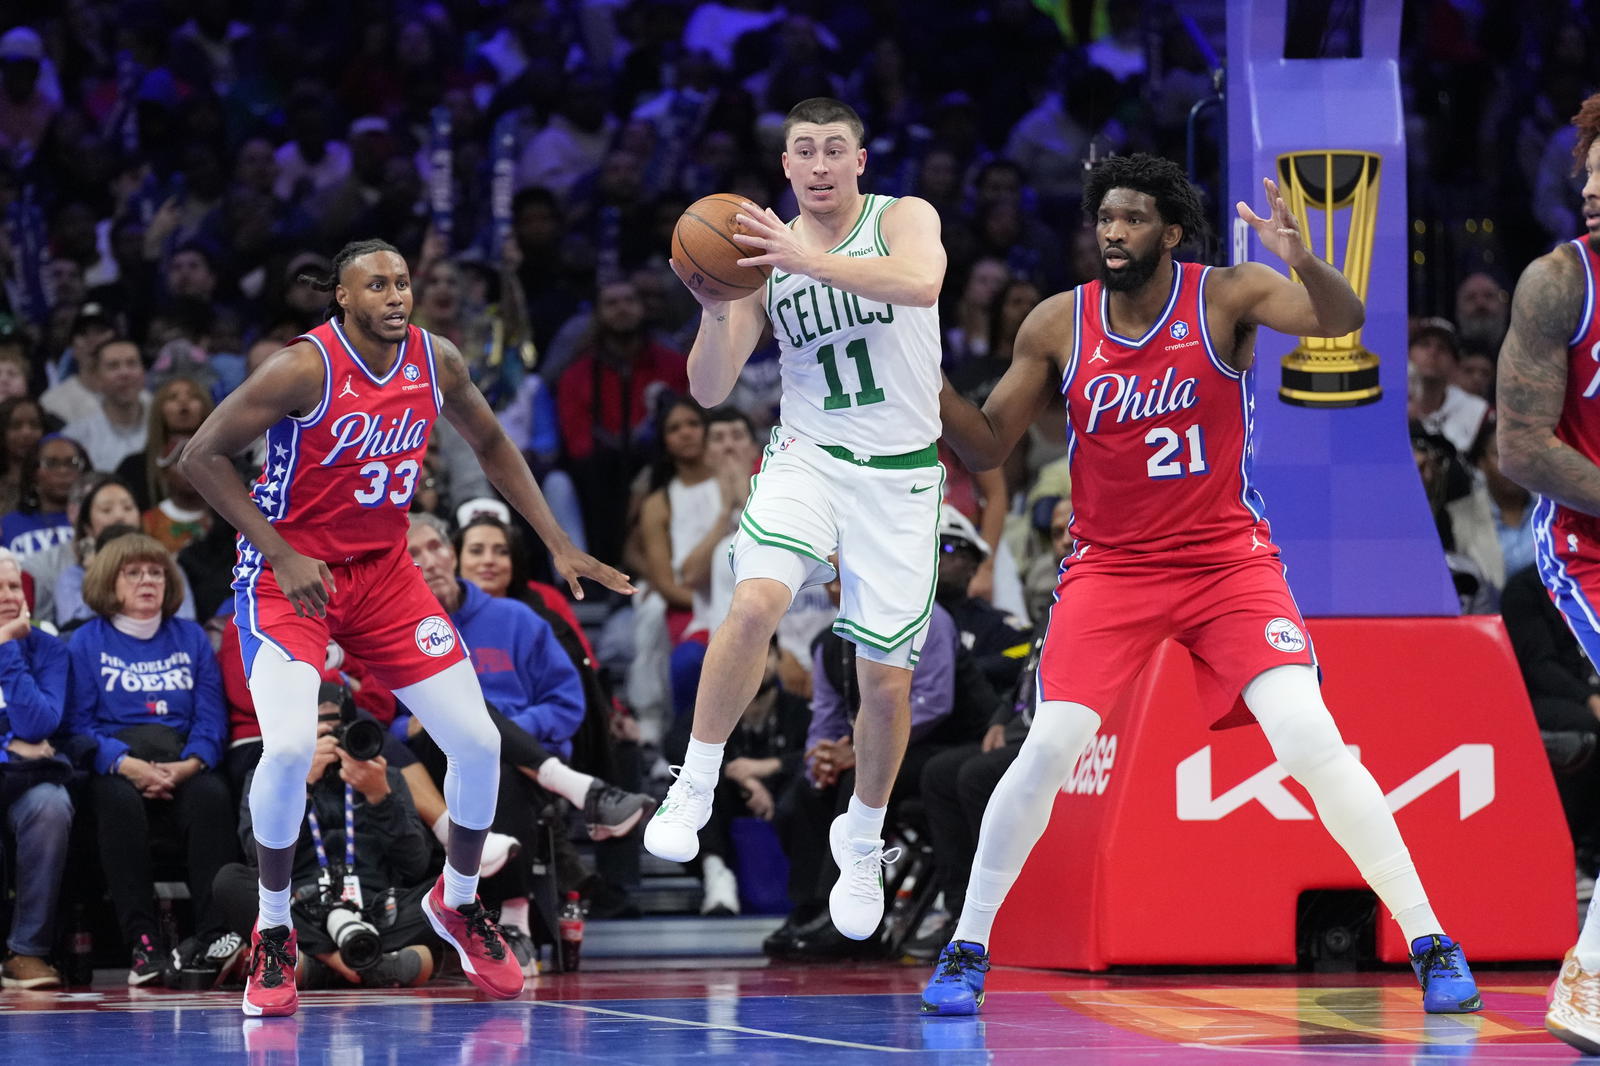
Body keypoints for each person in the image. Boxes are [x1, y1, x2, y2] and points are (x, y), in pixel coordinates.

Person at [920, 153, 1480, 1016]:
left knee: (1309, 738)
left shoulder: (1225, 295)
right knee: (1050, 747)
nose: (1113, 233)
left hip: (1226, 562)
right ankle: (967, 948)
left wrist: (1303, 259)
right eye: (1105, 219)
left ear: (1171, 232)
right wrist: (923, 377)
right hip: (1111, 569)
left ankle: (1430, 940)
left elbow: (1340, 317)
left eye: (1133, 219)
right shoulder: (1059, 322)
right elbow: (989, 442)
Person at [178, 237, 631, 1017]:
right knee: (287, 749)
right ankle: (275, 929)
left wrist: (557, 541)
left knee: (479, 742)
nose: (395, 296)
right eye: (376, 285)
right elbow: (200, 456)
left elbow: (491, 442)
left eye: (402, 283)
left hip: (385, 575)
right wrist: (279, 551)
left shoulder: (436, 359)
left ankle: (457, 901)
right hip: (290, 576)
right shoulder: (302, 368)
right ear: (343, 297)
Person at [643, 96, 949, 945]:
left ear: (859, 161)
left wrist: (803, 262)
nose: (819, 164)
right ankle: (695, 782)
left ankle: (863, 837)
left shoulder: (903, 218)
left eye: (833, 149)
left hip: (900, 475)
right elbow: (709, 388)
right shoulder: (762, 251)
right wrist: (712, 300)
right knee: (752, 604)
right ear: (785, 166)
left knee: (882, 682)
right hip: (808, 457)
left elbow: (921, 284)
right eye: (803, 150)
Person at [1495, 91, 1600, 1056]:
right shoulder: (1559, 282)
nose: (1595, 189)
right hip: (1588, 545)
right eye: (1590, 173)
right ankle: (1589, 991)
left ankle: (1587, 990)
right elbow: (1521, 446)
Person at [63, 534, 235, 986]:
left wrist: (191, 764)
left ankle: (214, 939)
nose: (147, 581)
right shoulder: (85, 641)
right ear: (109, 582)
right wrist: (125, 764)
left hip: (181, 760)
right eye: (134, 573)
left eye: (156, 572)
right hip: (116, 765)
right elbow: (77, 726)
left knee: (213, 796)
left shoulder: (191, 637)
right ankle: (143, 943)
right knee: (116, 803)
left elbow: (211, 717)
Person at [0, 548, 74, 990]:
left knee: (51, 804)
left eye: (14, 586)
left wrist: (5, 646)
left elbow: (40, 724)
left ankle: (27, 950)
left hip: (27, 783)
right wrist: (8, 745)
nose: (9, 596)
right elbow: (22, 737)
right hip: (13, 764)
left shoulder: (47, 648)